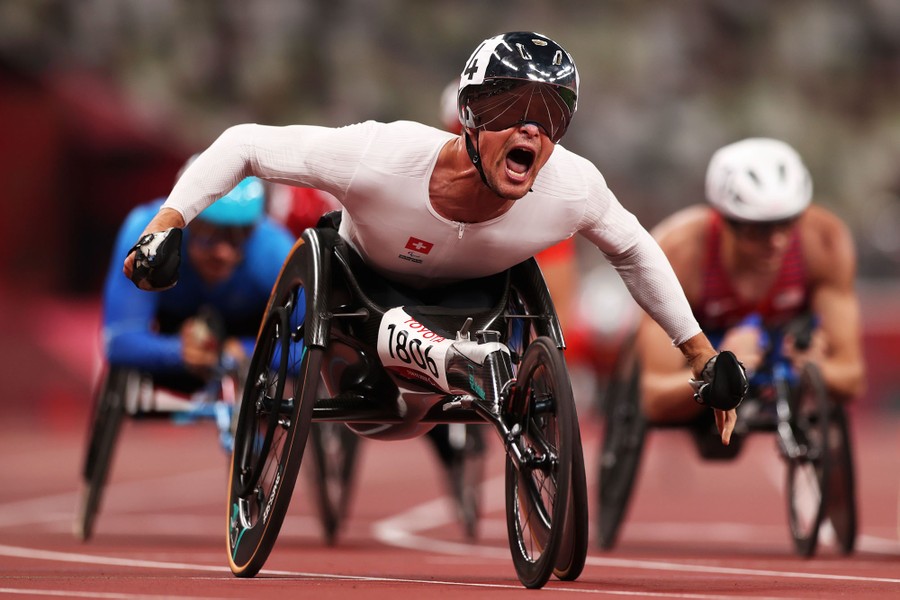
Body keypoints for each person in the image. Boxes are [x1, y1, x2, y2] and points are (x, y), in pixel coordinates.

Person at [123, 31, 746, 444]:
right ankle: (454, 363)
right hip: (358, 316)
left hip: (473, 315)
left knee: (438, 370)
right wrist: (167, 223)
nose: (532, 128)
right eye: (509, 111)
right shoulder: (382, 153)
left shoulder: (573, 186)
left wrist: (700, 354)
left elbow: (633, 250)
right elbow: (246, 143)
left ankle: (458, 362)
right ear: (470, 119)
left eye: (552, 114)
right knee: (394, 332)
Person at [636, 137, 865, 428]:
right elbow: (654, 398)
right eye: (759, 230)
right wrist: (718, 373)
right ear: (724, 219)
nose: (778, 241)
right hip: (705, 346)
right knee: (718, 448)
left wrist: (817, 369)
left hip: (780, 343)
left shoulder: (824, 242)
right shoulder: (679, 252)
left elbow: (851, 377)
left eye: (787, 222)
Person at [104, 175, 295, 397]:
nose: (223, 252)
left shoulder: (274, 250)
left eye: (239, 235)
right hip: (173, 331)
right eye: (209, 232)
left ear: (255, 228)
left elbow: (309, 352)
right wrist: (178, 351)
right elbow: (118, 342)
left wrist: (246, 351)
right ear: (185, 224)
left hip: (246, 335)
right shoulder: (145, 232)